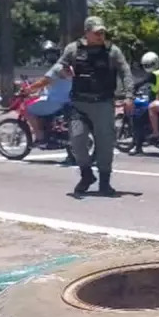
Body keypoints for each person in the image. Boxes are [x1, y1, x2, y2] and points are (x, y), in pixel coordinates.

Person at [56, 16, 134, 195]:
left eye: (102, 32)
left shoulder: (112, 51)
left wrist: (129, 96)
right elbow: (60, 67)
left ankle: (105, 182)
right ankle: (86, 174)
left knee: (105, 144)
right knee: (77, 140)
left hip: (103, 104)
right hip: (79, 104)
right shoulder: (73, 49)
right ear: (87, 33)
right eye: (97, 32)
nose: (101, 35)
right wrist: (64, 71)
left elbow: (125, 72)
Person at [20, 41, 72, 149]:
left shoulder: (57, 67)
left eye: (51, 54)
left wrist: (28, 90)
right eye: (48, 54)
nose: (50, 56)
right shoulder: (66, 67)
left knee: (26, 109)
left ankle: (40, 138)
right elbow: (49, 84)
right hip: (67, 101)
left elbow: (43, 82)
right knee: (38, 105)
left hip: (55, 102)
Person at [125, 51, 159, 155]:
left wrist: (132, 88)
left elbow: (140, 83)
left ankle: (138, 147)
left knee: (138, 119)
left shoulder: (153, 75)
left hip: (155, 101)